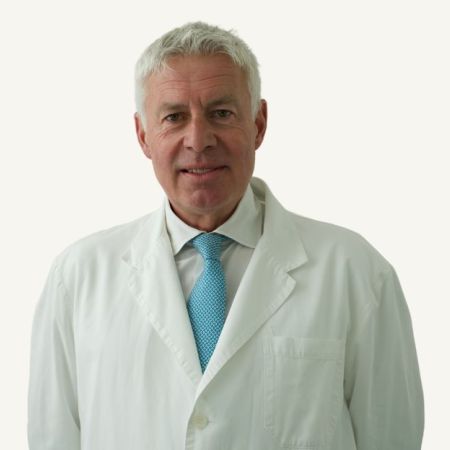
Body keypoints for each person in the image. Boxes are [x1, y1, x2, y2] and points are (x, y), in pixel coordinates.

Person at [28, 21, 424, 450]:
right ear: (143, 136)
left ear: (258, 123)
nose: (198, 141)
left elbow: (393, 437)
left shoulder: (355, 272)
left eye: (221, 113)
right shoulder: (78, 278)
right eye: (174, 117)